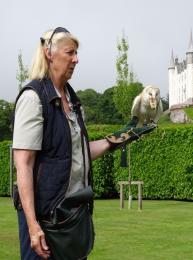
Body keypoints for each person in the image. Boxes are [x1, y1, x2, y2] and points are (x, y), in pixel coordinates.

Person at [13, 27, 155, 260]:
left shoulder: (72, 100)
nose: (76, 59)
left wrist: (120, 139)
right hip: (44, 220)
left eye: (76, 53)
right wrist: (32, 224)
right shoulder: (34, 98)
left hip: (72, 215)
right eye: (70, 53)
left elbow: (77, 152)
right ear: (50, 53)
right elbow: (24, 164)